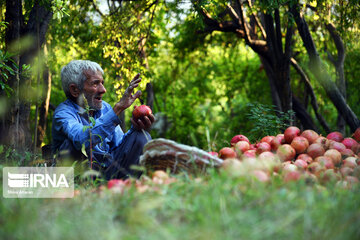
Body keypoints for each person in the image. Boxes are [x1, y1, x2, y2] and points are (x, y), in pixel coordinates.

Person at [52, 60, 155, 179]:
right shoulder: (63, 113)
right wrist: (117, 109)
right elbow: (82, 140)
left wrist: (136, 128)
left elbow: (120, 145)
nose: (103, 90)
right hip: (80, 175)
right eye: (95, 84)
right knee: (71, 145)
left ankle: (125, 187)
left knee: (140, 136)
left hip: (108, 171)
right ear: (75, 90)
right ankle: (82, 189)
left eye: (102, 83)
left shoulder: (105, 107)